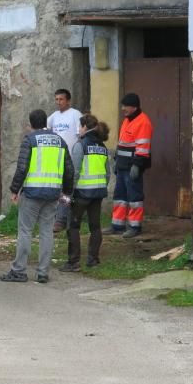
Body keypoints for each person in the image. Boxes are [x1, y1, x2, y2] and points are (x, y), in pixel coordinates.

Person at [0, 109, 73, 284]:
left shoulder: (30, 140)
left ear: (31, 124)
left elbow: (22, 167)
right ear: (45, 123)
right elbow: (69, 169)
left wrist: (14, 189)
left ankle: (19, 271)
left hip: (32, 193)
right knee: (47, 231)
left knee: (25, 230)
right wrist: (67, 192)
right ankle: (43, 272)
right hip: (53, 193)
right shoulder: (60, 141)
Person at [60, 114, 111, 272]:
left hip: (81, 193)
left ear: (84, 127)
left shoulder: (80, 145)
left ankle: (73, 262)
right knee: (95, 227)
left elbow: (74, 172)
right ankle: (93, 259)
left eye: (80, 126)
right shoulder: (102, 147)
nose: (78, 130)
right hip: (98, 193)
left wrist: (67, 194)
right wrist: (101, 187)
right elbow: (107, 173)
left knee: (73, 226)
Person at [108, 93, 153, 238]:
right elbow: (122, 143)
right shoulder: (128, 120)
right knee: (119, 196)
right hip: (122, 165)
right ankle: (117, 225)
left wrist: (137, 165)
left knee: (134, 197)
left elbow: (143, 148)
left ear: (134, 107)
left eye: (125, 106)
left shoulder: (143, 122)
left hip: (132, 167)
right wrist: (117, 161)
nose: (122, 109)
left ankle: (135, 226)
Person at [48, 88, 83, 233]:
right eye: (56, 99)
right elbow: (47, 131)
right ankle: (62, 217)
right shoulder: (53, 116)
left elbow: (80, 135)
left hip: (70, 158)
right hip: (56, 159)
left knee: (67, 190)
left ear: (68, 100)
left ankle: (61, 220)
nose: (58, 102)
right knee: (60, 190)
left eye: (61, 99)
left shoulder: (75, 114)